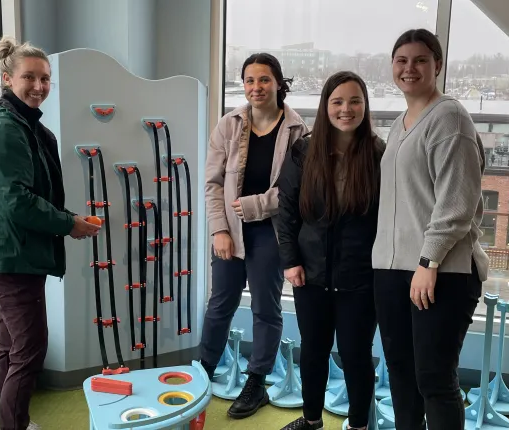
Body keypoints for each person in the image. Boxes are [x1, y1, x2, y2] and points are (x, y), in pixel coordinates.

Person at [0, 36, 100, 430]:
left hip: (13, 251)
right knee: (29, 349)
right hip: (12, 255)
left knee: (9, 344)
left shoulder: (18, 120)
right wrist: (68, 223)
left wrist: (67, 219)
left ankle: (16, 423)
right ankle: (16, 426)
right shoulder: (3, 128)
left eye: (45, 78)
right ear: (8, 78)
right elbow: (18, 202)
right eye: (30, 77)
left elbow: (24, 194)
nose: (39, 86)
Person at [371, 28, 489, 430]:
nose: (410, 68)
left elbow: (458, 202)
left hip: (439, 271)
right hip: (392, 268)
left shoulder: (450, 117)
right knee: (401, 376)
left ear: (437, 65)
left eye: (421, 60)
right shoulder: (400, 122)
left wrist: (429, 259)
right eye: (401, 60)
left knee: (434, 380)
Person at [201, 52, 309, 419]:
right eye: (249, 80)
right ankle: (202, 371)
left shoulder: (298, 131)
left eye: (264, 79)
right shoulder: (228, 124)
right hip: (228, 232)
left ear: (279, 83)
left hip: (272, 234)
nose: (256, 87)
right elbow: (212, 183)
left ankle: (256, 382)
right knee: (220, 305)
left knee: (266, 309)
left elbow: (296, 192)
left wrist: (253, 206)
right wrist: (219, 229)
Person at [275, 71, 384, 430]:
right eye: (337, 101)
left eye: (355, 101)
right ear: (325, 106)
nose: (346, 109)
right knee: (314, 353)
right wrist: (290, 261)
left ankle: (357, 425)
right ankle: (311, 420)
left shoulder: (379, 153)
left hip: (359, 278)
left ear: (365, 106)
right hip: (311, 274)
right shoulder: (304, 150)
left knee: (355, 356)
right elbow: (287, 208)